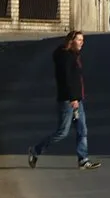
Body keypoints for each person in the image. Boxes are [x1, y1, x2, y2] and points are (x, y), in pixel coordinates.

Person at [28, 29, 99, 169]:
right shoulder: (65, 57)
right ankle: (35, 150)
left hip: (77, 100)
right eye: (79, 40)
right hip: (68, 101)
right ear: (71, 41)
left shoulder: (73, 55)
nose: (82, 43)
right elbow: (66, 80)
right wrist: (72, 98)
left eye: (82, 40)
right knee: (62, 133)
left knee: (82, 130)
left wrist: (78, 98)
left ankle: (83, 160)